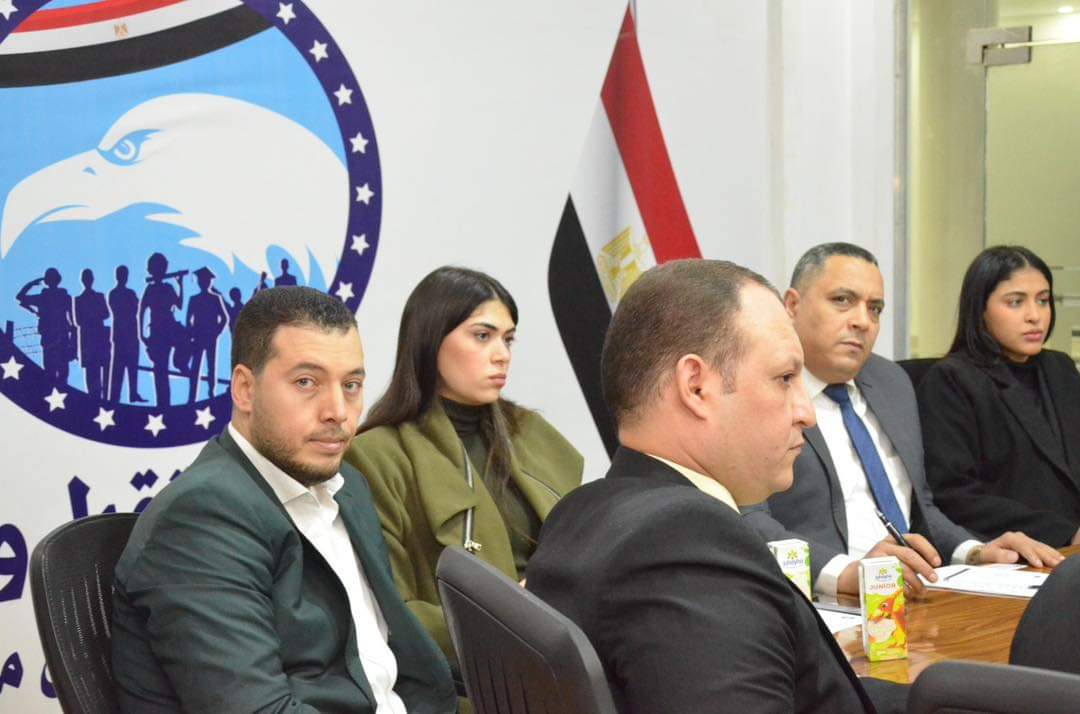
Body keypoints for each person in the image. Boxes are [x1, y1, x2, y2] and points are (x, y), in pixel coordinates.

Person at [526, 259, 902, 713]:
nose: (806, 413)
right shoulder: (686, 545)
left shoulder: (581, 511)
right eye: (785, 379)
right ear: (696, 387)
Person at [112, 287, 456, 714]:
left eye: (351, 385)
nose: (338, 411)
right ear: (244, 389)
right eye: (306, 383)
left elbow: (387, 666)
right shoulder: (201, 518)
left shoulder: (346, 486)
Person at [742, 243, 1061, 598]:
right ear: (792, 305)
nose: (862, 321)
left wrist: (974, 551)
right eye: (842, 300)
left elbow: (920, 509)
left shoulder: (891, 381)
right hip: (820, 600)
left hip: (915, 593)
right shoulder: (758, 390)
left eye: (875, 308)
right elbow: (746, 516)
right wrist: (843, 573)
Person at [345, 266, 583, 665]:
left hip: (567, 662)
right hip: (468, 680)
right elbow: (389, 612)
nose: (502, 354)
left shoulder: (534, 435)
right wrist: (514, 615)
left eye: (508, 339)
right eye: (482, 336)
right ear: (431, 339)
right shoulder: (376, 456)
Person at [918, 246, 1080, 546]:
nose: (1035, 316)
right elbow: (953, 495)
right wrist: (1066, 533)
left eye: (1043, 300)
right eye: (1016, 302)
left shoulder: (1060, 367)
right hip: (1015, 549)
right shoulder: (952, 379)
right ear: (980, 309)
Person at [16, 267, 74, 383]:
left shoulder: (44, 298)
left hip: (54, 337)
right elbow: (73, 320)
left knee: (54, 371)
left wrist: (31, 284)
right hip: (58, 337)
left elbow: (20, 297)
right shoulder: (62, 297)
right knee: (60, 372)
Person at [185, 266, 229, 402]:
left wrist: (216, 332)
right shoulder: (194, 299)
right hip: (198, 336)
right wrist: (192, 332)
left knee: (211, 366)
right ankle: (191, 397)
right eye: (202, 280)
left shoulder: (216, 298)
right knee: (195, 367)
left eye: (206, 280)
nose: (204, 282)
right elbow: (188, 319)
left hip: (210, 337)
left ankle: (211, 393)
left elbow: (224, 318)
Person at [108, 265, 145, 402]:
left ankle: (133, 393)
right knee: (119, 366)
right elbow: (132, 309)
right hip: (123, 333)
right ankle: (114, 397)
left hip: (130, 333)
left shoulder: (126, 293)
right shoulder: (115, 293)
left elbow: (136, 308)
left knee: (132, 365)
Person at [74, 268, 111, 399]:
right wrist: (93, 315)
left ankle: (102, 398)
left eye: (89, 278)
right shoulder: (78, 300)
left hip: (98, 337)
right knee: (90, 372)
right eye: (86, 278)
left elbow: (106, 314)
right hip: (87, 339)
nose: (88, 281)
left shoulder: (99, 296)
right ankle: (92, 398)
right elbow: (77, 321)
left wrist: (91, 315)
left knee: (102, 369)